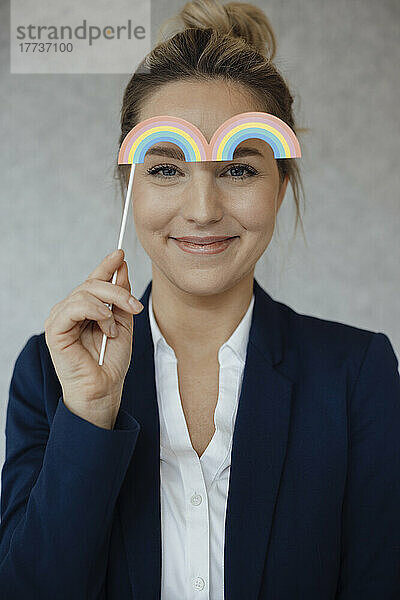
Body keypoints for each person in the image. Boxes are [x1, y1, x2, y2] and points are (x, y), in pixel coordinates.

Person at [1, 1, 399, 598]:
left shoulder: (357, 374)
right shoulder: (49, 372)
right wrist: (88, 414)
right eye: (166, 170)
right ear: (129, 186)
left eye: (238, 170)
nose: (204, 209)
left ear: (281, 183)